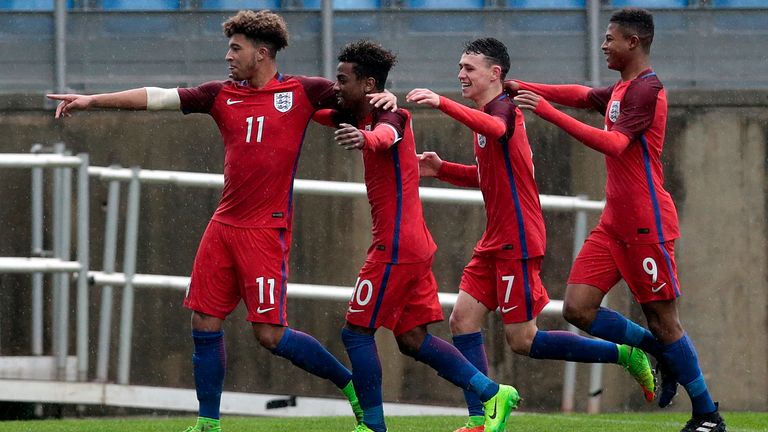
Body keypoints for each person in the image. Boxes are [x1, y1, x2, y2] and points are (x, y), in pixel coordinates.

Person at [47, 10, 397, 432]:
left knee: (270, 336)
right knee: (204, 322)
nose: (227, 56)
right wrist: (91, 100)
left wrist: (389, 100)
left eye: (236, 48)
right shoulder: (218, 94)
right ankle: (209, 423)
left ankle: (350, 386)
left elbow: (363, 102)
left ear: (262, 53)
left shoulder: (305, 91)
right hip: (223, 227)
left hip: (265, 231)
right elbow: (157, 96)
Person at [407, 37, 656, 432]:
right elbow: (489, 176)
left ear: (495, 73)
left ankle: (624, 354)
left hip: (518, 241)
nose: (460, 74)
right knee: (462, 321)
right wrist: (442, 169)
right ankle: (480, 416)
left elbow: (494, 127)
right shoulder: (486, 114)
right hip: (495, 239)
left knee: (523, 341)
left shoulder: (502, 111)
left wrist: (442, 103)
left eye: (469, 68)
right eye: (460, 67)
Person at [508, 8, 726, 432]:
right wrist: (526, 87)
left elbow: (614, 145)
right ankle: (657, 352)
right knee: (577, 308)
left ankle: (706, 414)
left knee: (665, 321)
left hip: (647, 225)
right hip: (615, 224)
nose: (603, 44)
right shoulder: (624, 88)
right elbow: (581, 94)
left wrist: (546, 112)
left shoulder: (648, 91)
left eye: (610, 39)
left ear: (634, 43)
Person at [312, 39, 519, 432]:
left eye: (342, 79)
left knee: (355, 331)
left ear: (369, 84)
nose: (335, 86)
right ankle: (492, 392)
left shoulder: (393, 115)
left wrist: (365, 138)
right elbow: (320, 110)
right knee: (412, 339)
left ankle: (372, 424)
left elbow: (386, 137)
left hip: (396, 247)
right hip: (412, 244)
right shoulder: (360, 113)